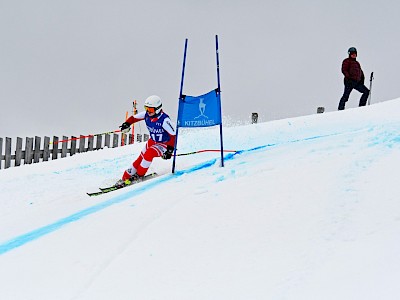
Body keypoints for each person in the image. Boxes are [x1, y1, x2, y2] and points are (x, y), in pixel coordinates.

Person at [115, 95, 176, 187]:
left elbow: (173, 135)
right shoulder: (146, 114)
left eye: (150, 109)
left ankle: (138, 176)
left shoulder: (164, 120)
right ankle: (124, 178)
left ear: (158, 109)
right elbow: (133, 118)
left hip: (164, 144)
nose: (148, 111)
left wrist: (170, 150)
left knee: (149, 153)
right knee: (140, 158)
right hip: (153, 141)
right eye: (146, 108)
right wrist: (126, 124)